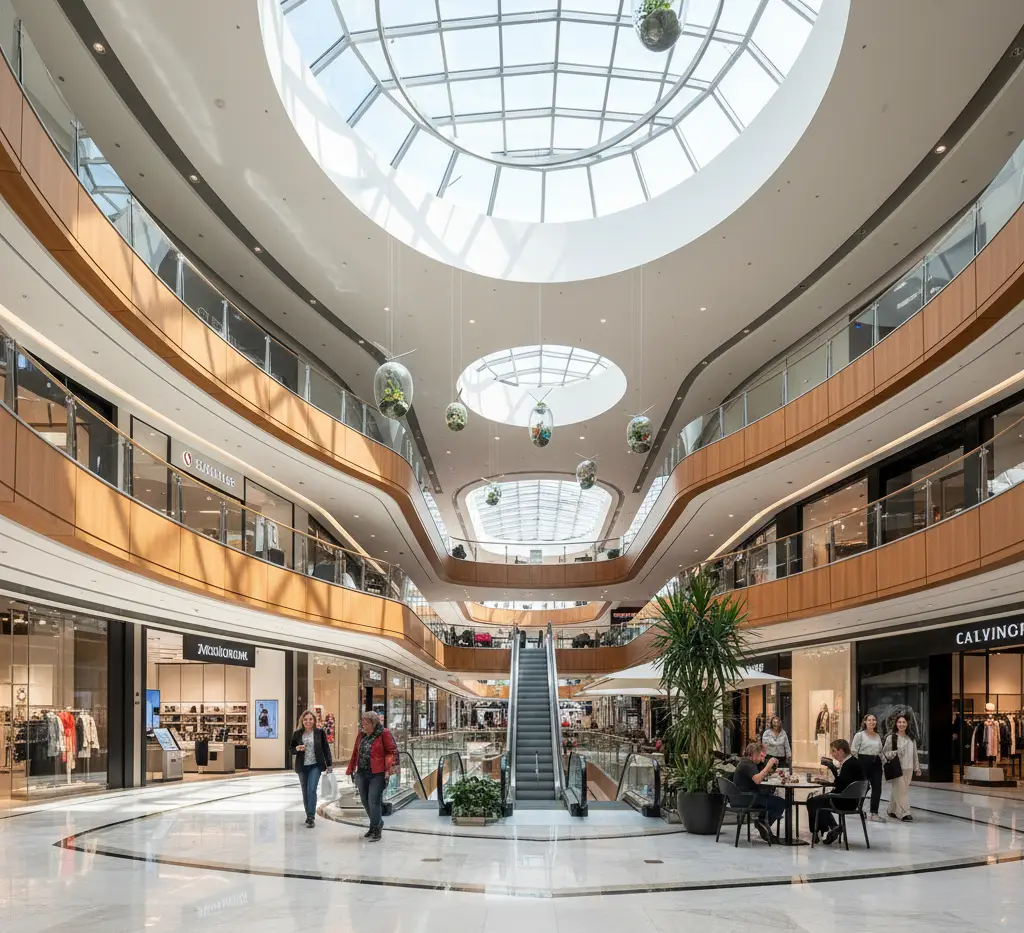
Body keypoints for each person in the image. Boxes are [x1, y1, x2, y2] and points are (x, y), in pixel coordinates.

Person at [346, 710, 398, 841]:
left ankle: (376, 828)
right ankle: (376, 824)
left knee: (373, 800)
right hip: (362, 772)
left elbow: (392, 751)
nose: (363, 725)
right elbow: (355, 752)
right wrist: (351, 769)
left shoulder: (383, 733)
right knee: (364, 800)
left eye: (366, 723)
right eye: (362, 722)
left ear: (373, 723)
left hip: (377, 772)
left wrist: (389, 769)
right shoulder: (361, 735)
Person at [806, 738, 866, 845]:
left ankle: (821, 831)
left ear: (841, 751)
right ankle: (828, 828)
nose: (831, 754)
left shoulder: (848, 765)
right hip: (853, 800)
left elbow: (840, 785)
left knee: (812, 801)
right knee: (818, 801)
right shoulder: (854, 762)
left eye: (833, 751)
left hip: (844, 800)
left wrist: (834, 770)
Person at [733, 741, 786, 843]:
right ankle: (762, 822)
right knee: (781, 803)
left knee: (770, 796)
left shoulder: (746, 763)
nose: (762, 759)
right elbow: (757, 779)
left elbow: (759, 776)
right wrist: (769, 765)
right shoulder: (747, 764)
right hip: (747, 799)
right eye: (761, 756)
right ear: (754, 754)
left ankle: (762, 822)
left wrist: (772, 770)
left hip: (744, 797)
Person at [291, 710, 332, 828]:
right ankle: (308, 814)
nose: (308, 721)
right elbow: (291, 748)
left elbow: (326, 748)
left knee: (312, 789)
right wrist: (297, 748)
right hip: (302, 766)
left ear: (314, 720)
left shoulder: (319, 733)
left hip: (315, 765)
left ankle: (311, 817)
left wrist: (329, 764)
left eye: (310, 719)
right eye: (305, 719)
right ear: (302, 721)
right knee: (305, 791)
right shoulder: (297, 734)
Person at [883, 714, 921, 821]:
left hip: (908, 768)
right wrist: (894, 753)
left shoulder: (911, 738)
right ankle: (905, 813)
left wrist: (917, 768)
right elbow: (884, 753)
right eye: (899, 722)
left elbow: (915, 754)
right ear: (896, 724)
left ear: (907, 724)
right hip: (896, 768)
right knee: (901, 791)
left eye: (904, 722)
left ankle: (891, 810)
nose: (902, 724)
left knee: (901, 790)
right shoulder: (891, 738)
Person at [851, 714, 885, 822]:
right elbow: (854, 750)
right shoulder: (860, 735)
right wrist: (857, 765)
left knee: (877, 788)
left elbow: (880, 750)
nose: (872, 722)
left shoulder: (878, 736)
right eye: (869, 720)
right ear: (865, 722)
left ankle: (874, 813)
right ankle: (858, 808)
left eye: (874, 720)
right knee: (864, 787)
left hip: (876, 763)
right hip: (863, 762)